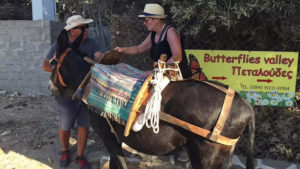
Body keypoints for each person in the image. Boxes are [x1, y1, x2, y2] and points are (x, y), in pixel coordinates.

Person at [42, 15, 103, 169]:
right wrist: (61, 69)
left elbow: (99, 58)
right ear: (72, 31)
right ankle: (65, 151)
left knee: (84, 123)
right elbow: (45, 66)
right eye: (82, 28)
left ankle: (80, 156)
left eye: (86, 27)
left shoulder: (91, 43)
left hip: (86, 91)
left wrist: (103, 60)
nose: (86, 30)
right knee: (66, 124)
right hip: (65, 91)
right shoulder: (60, 44)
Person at [114, 3, 191, 79]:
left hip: (179, 78)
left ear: (157, 19)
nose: (144, 23)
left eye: (146, 20)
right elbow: (139, 48)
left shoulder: (170, 31)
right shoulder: (154, 34)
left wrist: (155, 71)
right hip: (163, 75)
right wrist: (123, 50)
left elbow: (177, 57)